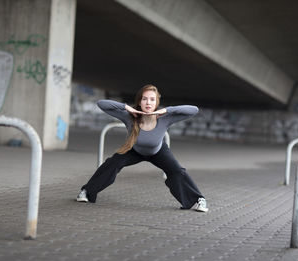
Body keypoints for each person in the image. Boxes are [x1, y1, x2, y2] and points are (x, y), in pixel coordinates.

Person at [76, 84, 208, 212]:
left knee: (177, 171)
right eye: (144, 99)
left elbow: (194, 110)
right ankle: (87, 192)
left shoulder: (165, 118)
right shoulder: (129, 116)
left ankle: (198, 201)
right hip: (134, 150)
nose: (148, 102)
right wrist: (127, 108)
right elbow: (102, 104)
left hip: (158, 152)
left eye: (152, 99)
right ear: (139, 101)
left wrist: (166, 110)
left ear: (156, 102)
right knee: (112, 163)